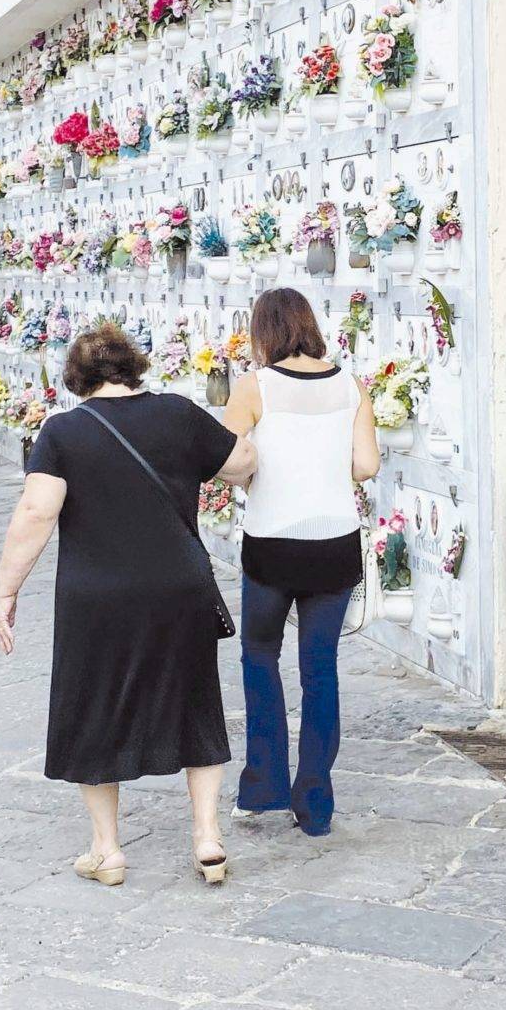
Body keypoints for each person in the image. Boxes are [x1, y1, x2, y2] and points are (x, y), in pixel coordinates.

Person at [0, 323, 256, 887]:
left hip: (98, 596)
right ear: (134, 366)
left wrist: (7, 589)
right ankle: (208, 839)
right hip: (179, 586)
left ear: (77, 377)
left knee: (93, 706)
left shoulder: (63, 431)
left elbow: (37, 512)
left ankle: (107, 851)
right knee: (196, 702)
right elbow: (241, 463)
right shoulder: (178, 414)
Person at [218, 289, 381, 836]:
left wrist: (257, 474)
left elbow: (228, 460)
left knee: (260, 657)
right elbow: (366, 465)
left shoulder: (254, 386)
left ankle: (263, 788)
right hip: (335, 543)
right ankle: (315, 806)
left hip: (273, 544)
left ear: (264, 331)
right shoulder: (351, 385)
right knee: (320, 668)